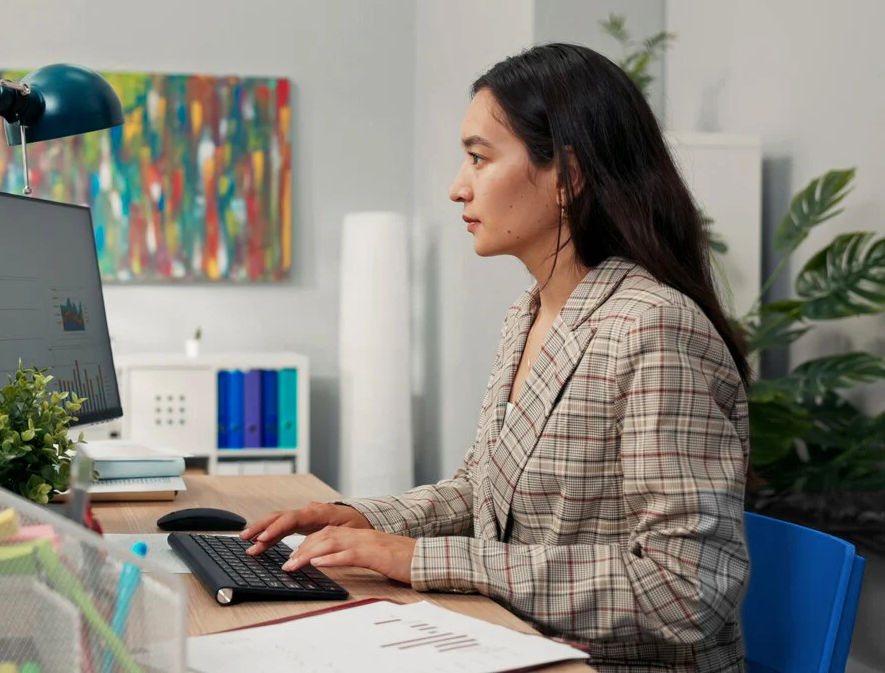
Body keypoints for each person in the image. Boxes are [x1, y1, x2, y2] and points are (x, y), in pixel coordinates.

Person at [241, 43, 751, 672]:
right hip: (515, 644)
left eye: (478, 158)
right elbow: (483, 491)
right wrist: (356, 519)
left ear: (567, 175)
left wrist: (419, 558)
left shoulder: (656, 329)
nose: (458, 188)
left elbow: (685, 588)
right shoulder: (529, 313)